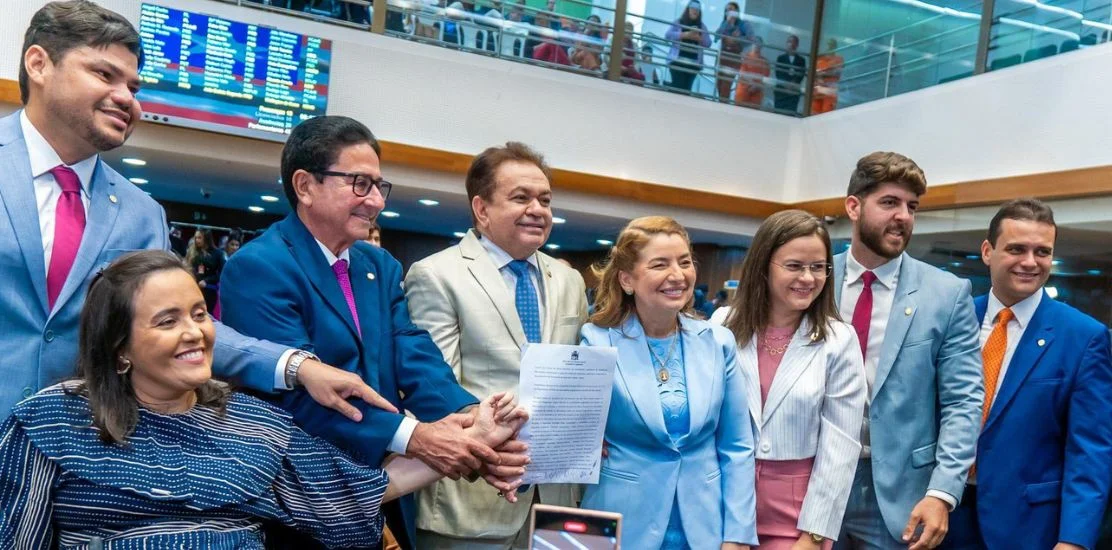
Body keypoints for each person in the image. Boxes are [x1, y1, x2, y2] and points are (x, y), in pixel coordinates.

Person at [0, 0, 384, 425]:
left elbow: (177, 329)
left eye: (134, 87)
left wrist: (298, 367)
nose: (125, 98)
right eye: (104, 75)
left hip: (74, 457)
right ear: (38, 64)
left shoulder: (141, 213)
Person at [0, 250, 528, 548]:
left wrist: (473, 441)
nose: (195, 334)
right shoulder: (49, 423)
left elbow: (354, 492)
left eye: (200, 314)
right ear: (119, 349)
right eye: (167, 321)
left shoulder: (253, 421)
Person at [220, 115, 526, 549]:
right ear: (305, 186)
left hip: (385, 494)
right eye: (360, 183)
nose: (376, 201)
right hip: (303, 497)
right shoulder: (259, 267)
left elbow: (412, 353)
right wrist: (415, 437)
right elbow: (302, 395)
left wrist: (472, 421)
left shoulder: (378, 266)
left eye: (379, 186)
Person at [406, 142, 588, 549]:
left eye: (545, 199)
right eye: (520, 197)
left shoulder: (569, 280)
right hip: (471, 497)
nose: (538, 209)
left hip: (556, 496)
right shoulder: (436, 275)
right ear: (482, 209)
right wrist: (495, 450)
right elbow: (435, 390)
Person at [832, 152, 983, 550]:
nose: (903, 216)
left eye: (911, 207)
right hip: (813, 482)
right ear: (853, 206)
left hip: (901, 497)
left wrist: (942, 493)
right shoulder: (815, 281)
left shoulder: (947, 294)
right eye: (889, 203)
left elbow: (964, 401)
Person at [942, 199, 1112, 550]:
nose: (1030, 262)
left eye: (1042, 251)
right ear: (988, 251)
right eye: (1017, 249)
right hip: (942, 514)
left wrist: (1074, 540)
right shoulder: (952, 320)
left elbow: (1090, 450)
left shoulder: (1083, 336)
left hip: (1029, 527)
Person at [579, 215, 758, 550]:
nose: (677, 275)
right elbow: (575, 431)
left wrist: (738, 534)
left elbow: (737, 447)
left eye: (685, 262)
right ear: (627, 280)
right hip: (622, 521)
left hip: (705, 526)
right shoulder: (596, 341)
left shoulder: (719, 342)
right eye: (660, 264)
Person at [716, 210, 866, 549]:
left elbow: (839, 448)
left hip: (796, 511)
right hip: (722, 495)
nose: (809, 278)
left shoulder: (839, 340)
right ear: (763, 265)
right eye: (795, 266)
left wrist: (814, 535)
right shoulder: (722, 324)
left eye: (818, 267)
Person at [665, 0, 711, 92]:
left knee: (686, 90)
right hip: (677, 61)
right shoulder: (678, 22)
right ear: (688, 9)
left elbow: (708, 43)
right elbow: (668, 35)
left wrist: (699, 39)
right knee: (677, 88)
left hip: (694, 63)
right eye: (693, 8)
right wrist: (684, 34)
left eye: (697, 10)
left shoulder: (702, 26)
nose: (695, 11)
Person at [714, 2, 749, 100]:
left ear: (737, 12)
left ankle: (723, 109)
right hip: (721, 58)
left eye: (731, 9)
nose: (729, 12)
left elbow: (750, 40)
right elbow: (716, 37)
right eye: (727, 10)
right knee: (719, 86)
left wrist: (738, 39)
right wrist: (726, 23)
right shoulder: (723, 23)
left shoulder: (742, 25)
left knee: (726, 87)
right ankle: (721, 106)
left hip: (733, 60)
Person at [185, 229, 225, 312]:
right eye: (195, 238)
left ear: (206, 238)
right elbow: (188, 268)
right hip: (193, 288)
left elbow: (222, 273)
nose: (197, 240)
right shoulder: (192, 252)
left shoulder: (218, 254)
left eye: (199, 238)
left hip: (209, 290)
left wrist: (207, 281)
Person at [774, 34, 806, 113]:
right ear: (786, 43)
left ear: (797, 45)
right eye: (789, 42)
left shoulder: (801, 60)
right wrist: (786, 84)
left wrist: (792, 84)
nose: (791, 44)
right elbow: (778, 73)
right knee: (778, 114)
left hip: (793, 92)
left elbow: (801, 74)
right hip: (781, 91)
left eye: (794, 42)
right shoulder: (780, 58)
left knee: (790, 114)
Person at [735, 37, 770, 107]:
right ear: (751, 44)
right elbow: (742, 73)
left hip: (757, 93)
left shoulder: (765, 62)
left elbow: (765, 78)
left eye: (759, 43)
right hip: (743, 91)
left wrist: (756, 86)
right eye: (755, 42)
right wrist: (753, 84)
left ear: (762, 46)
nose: (757, 44)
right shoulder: (745, 57)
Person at [812, 39, 843, 114]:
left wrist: (823, 74)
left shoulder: (839, 59)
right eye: (828, 44)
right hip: (818, 90)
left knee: (827, 113)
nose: (829, 46)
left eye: (832, 45)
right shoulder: (820, 59)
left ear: (835, 47)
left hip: (830, 91)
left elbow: (837, 72)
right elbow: (814, 73)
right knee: (814, 114)